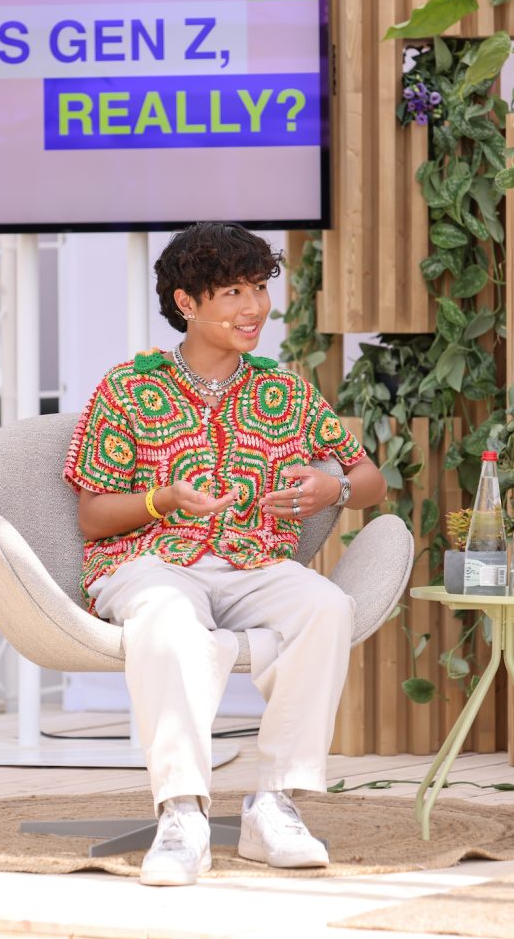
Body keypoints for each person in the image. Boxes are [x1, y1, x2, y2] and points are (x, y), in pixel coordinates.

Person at [63, 222, 387, 886]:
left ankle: (273, 803)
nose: (255, 308)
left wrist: (334, 486)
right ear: (186, 303)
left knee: (325, 606)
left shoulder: (284, 391)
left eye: (260, 288)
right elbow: (94, 515)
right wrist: (166, 500)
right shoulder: (128, 387)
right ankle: (180, 813)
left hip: (253, 564)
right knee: (166, 619)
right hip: (150, 561)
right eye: (233, 291)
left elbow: (372, 481)